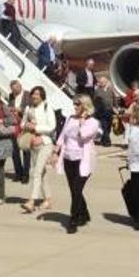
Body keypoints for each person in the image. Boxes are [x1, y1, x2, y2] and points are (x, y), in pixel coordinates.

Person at [51, 95, 100, 234]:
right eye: (74, 104)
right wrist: (55, 151)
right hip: (68, 158)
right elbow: (63, 135)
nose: (75, 107)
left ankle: (73, 219)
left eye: (78, 104)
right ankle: (84, 213)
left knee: (77, 189)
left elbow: (83, 135)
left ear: (85, 106)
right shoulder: (70, 118)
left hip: (83, 160)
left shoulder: (93, 122)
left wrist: (82, 121)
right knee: (73, 189)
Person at [20, 86, 55, 213]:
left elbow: (52, 126)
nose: (35, 96)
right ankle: (48, 200)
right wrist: (27, 125)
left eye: (37, 94)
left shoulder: (47, 108)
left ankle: (32, 201)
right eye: (33, 94)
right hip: (33, 143)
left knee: (36, 172)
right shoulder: (28, 108)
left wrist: (36, 128)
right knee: (42, 173)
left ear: (42, 96)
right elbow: (22, 123)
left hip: (45, 143)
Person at [8, 80, 32, 183]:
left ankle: (26, 175)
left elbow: (31, 109)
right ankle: (18, 173)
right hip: (15, 125)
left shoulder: (28, 95)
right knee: (14, 151)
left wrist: (20, 110)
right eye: (13, 90)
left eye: (16, 89)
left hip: (25, 125)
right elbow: (9, 107)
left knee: (26, 151)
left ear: (20, 86)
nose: (14, 91)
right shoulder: (11, 96)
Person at [93, 75, 116, 147]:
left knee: (108, 127)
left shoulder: (110, 90)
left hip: (110, 111)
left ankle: (103, 139)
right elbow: (95, 101)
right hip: (101, 111)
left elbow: (114, 99)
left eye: (103, 82)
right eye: (100, 82)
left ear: (106, 82)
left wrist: (116, 107)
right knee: (104, 126)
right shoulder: (97, 91)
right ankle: (107, 142)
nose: (102, 83)